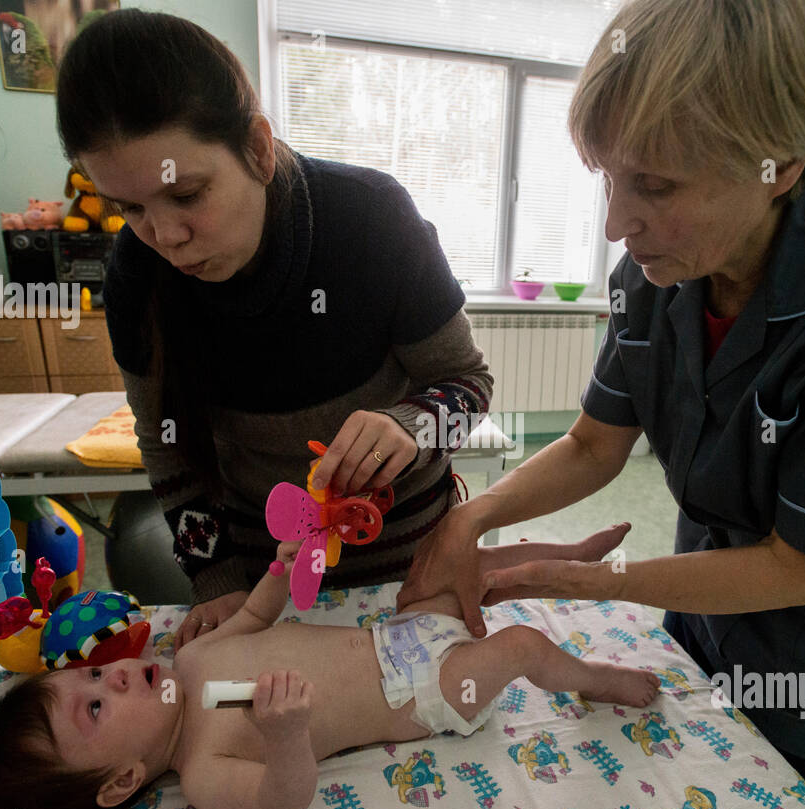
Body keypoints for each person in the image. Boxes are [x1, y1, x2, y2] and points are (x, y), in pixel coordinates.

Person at [397, 0, 805, 809]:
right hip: (708, 596)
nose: (616, 222)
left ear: (778, 164)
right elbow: (592, 444)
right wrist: (477, 517)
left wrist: (596, 581)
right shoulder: (659, 274)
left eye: (654, 185)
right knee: (674, 801)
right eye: (609, 177)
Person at [55, 10, 492, 648]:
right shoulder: (137, 274)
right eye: (130, 209)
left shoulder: (370, 219)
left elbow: (468, 385)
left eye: (186, 196)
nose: (166, 238)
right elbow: (166, 445)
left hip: (414, 564)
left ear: (258, 148)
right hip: (269, 585)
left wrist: (414, 423)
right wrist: (219, 580)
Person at [0, 523, 653, 809]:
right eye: (97, 703)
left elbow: (254, 615)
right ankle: (596, 680)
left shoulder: (194, 658)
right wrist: (285, 733)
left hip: (399, 634)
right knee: (522, 645)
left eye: (95, 672)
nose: (115, 672)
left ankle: (567, 556)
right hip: (425, 692)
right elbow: (286, 795)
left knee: (450, 554)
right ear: (121, 779)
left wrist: (279, 570)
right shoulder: (205, 769)